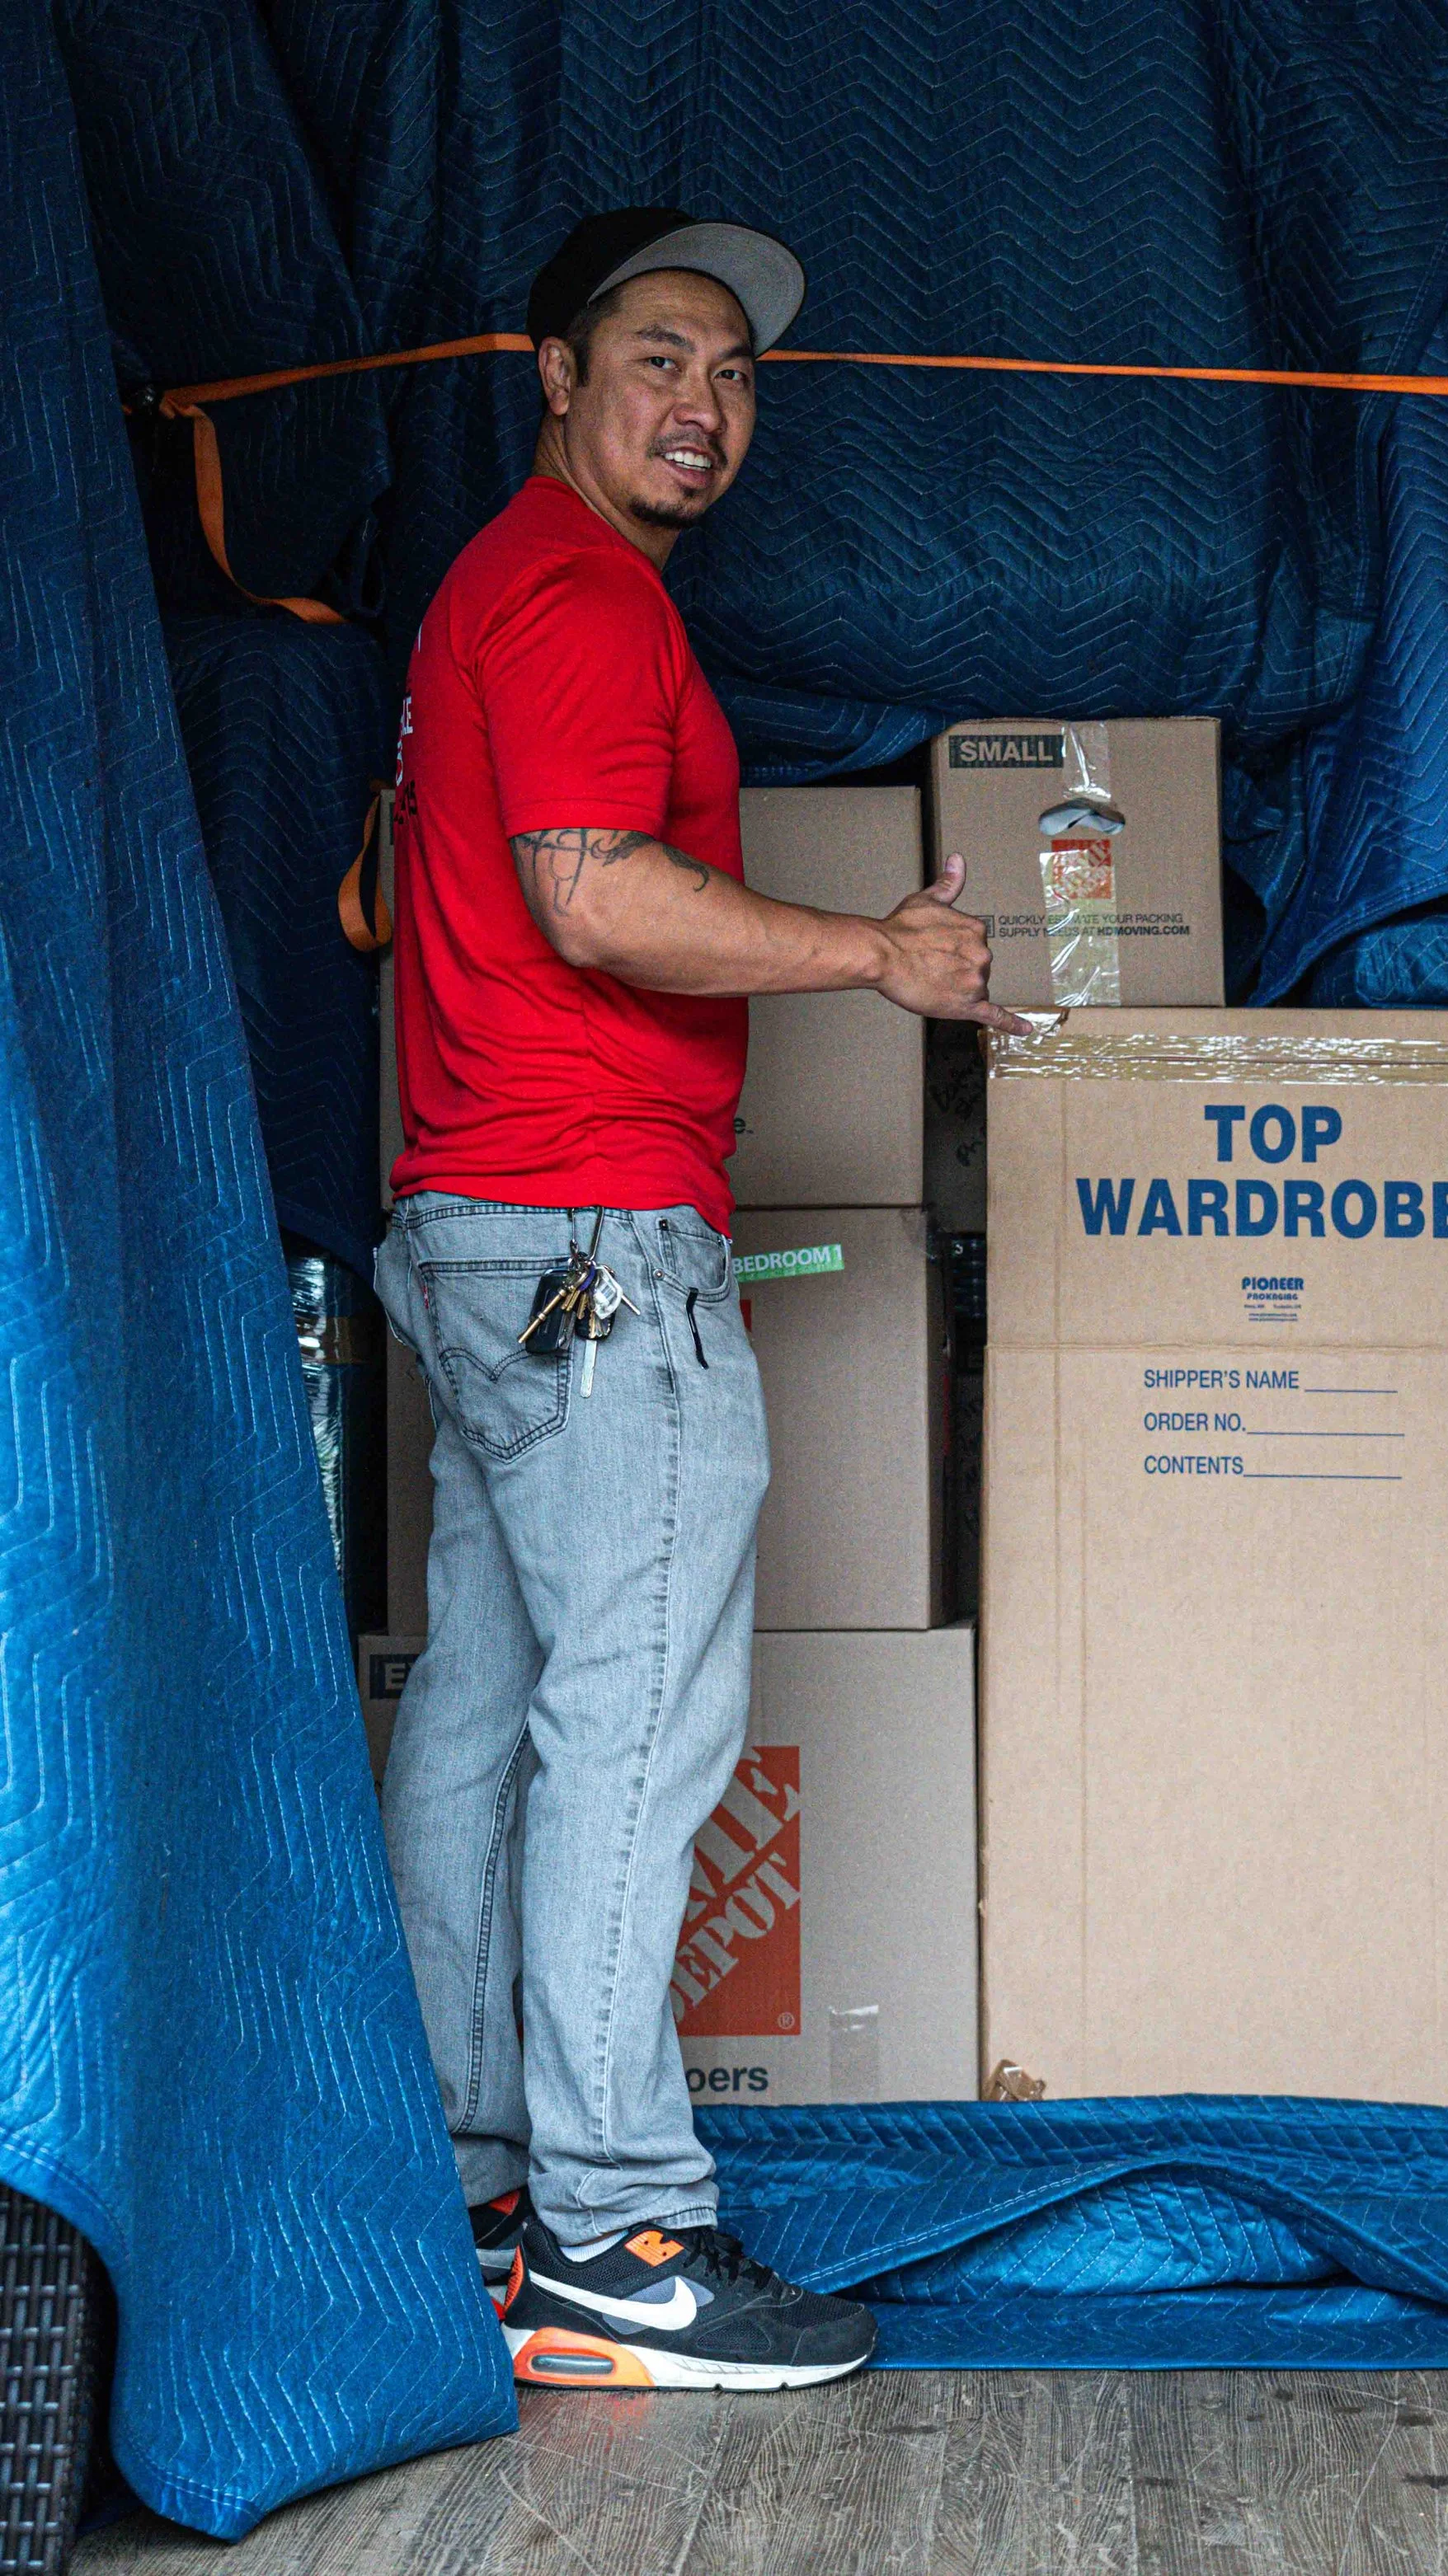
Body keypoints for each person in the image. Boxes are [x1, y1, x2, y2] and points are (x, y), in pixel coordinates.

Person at [374, 209, 1025, 2392]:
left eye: (736, 375)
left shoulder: (480, 595)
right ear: (555, 377)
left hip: (479, 1227)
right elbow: (588, 894)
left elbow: (393, 893)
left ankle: (475, 2197)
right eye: (658, 355)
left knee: (485, 1718)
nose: (704, 405)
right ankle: (618, 2232)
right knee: (634, 1728)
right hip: (589, 1237)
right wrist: (877, 954)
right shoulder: (577, 597)